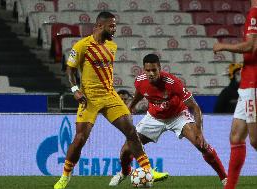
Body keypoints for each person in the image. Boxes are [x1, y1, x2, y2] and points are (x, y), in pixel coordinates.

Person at [54, 12, 161, 189]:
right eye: (111, 25)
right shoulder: (82, 46)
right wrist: (75, 90)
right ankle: (65, 176)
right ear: (99, 26)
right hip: (89, 99)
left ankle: (147, 169)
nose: (114, 28)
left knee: (131, 131)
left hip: (110, 96)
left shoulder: (112, 45)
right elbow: (70, 70)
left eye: (115, 25)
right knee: (80, 139)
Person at [109, 54, 228, 186]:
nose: (151, 73)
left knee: (202, 145)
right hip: (154, 117)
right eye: (148, 70)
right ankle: (125, 172)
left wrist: (199, 132)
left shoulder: (173, 83)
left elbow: (195, 107)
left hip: (178, 116)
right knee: (126, 150)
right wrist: (131, 106)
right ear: (144, 70)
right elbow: (140, 92)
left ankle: (225, 178)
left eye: (154, 70)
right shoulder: (140, 81)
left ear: (160, 68)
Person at [213, 0, 257, 188]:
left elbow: (251, 47)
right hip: (247, 84)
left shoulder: (255, 12)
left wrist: (222, 46)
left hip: (253, 83)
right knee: (236, 137)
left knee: (255, 141)